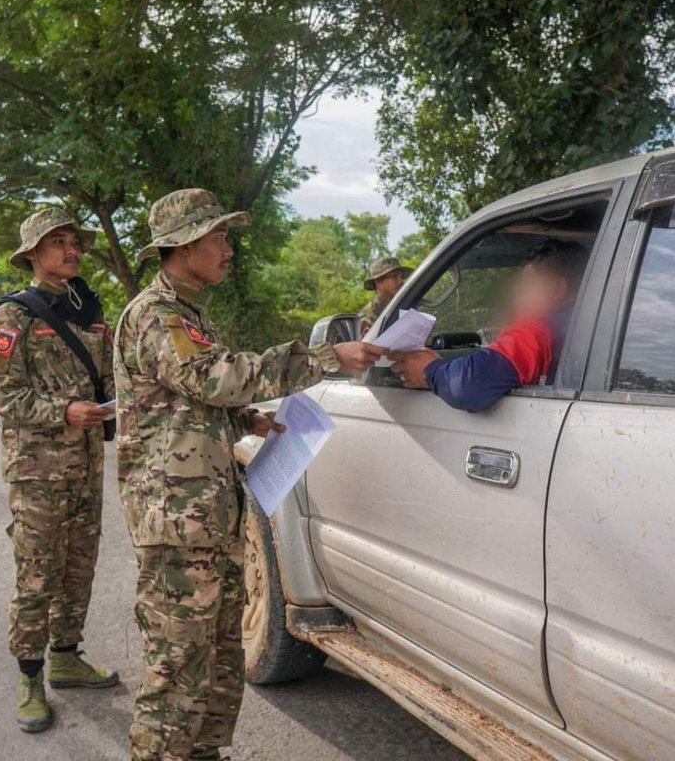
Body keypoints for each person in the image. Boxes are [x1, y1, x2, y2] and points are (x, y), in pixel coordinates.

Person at [115, 188, 382, 761]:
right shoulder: (156, 315)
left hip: (208, 514)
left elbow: (186, 397)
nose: (228, 249)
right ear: (183, 246)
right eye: (218, 237)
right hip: (176, 523)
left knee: (216, 657)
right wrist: (329, 357)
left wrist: (248, 419)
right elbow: (214, 378)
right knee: (177, 669)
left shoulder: (188, 314)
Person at [0, 206, 120, 734]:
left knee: (80, 564)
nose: (71, 250)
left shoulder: (90, 309)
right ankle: (30, 677)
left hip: (86, 462)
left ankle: (66, 656)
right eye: (58, 242)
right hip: (37, 470)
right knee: (37, 573)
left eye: (75, 242)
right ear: (33, 255)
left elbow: (107, 379)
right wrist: (62, 412)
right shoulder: (12, 316)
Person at [390, 238, 588, 411]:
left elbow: (466, 385)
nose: (517, 294)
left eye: (527, 284)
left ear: (555, 288)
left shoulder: (536, 330)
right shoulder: (582, 328)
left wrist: (429, 371)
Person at [359, 256, 413, 333]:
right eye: (394, 276)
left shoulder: (407, 304)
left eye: (402, 277)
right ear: (378, 282)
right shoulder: (367, 318)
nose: (401, 281)